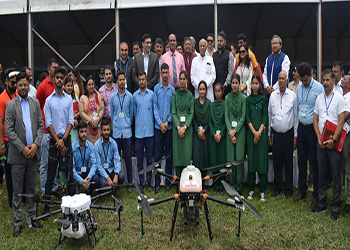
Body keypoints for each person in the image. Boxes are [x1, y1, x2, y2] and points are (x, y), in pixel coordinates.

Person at [5, 72, 44, 236]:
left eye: (25, 85)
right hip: (18, 155)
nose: (22, 87)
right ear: (16, 86)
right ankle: (17, 222)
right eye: (19, 85)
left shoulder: (35, 103)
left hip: (33, 153)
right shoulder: (10, 105)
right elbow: (9, 130)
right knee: (17, 191)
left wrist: (35, 144)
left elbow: (41, 127)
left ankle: (32, 217)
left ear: (29, 85)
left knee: (31, 188)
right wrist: (23, 148)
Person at [313, 69, 345, 221]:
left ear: (333, 81)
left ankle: (336, 206)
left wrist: (334, 140)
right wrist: (319, 138)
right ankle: (322, 203)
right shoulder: (319, 98)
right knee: (322, 174)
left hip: (333, 143)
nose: (325, 83)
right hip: (321, 143)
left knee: (336, 175)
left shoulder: (339, 98)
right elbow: (315, 119)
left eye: (327, 80)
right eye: (323, 80)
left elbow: (341, 121)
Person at [43, 66, 74, 214]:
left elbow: (71, 121)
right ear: (54, 79)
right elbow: (48, 123)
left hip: (66, 139)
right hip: (54, 141)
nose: (60, 80)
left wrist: (64, 140)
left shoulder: (69, 99)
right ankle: (47, 207)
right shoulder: (49, 101)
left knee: (69, 172)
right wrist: (58, 141)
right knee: (51, 174)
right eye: (58, 77)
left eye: (62, 77)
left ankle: (73, 205)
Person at [294, 63, 323, 210]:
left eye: (306, 80)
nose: (304, 83)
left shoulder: (319, 88)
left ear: (311, 75)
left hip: (312, 130)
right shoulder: (298, 87)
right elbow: (299, 107)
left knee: (314, 162)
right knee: (301, 161)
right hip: (302, 129)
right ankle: (302, 190)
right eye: (302, 80)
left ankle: (316, 195)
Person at [268, 71, 298, 198]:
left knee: (288, 162)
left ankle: (288, 188)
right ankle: (277, 187)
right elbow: (270, 115)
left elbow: (296, 117)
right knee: (277, 161)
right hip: (276, 134)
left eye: (283, 79)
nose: (281, 81)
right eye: (279, 78)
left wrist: (296, 135)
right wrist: (269, 133)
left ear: (287, 81)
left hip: (288, 134)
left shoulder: (292, 96)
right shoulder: (272, 96)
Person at [36, 58, 60, 195]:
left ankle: (54, 187)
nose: (56, 69)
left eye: (57, 67)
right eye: (54, 67)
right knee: (45, 164)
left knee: (54, 163)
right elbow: (38, 107)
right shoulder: (43, 86)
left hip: (57, 131)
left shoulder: (58, 85)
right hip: (46, 131)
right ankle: (45, 191)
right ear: (48, 69)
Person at [246, 75, 269, 201]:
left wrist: (259, 133)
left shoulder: (263, 100)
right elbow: (247, 118)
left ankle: (262, 190)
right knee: (252, 162)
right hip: (251, 135)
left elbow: (265, 117)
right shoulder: (248, 100)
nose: (254, 85)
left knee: (261, 162)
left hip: (261, 136)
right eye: (253, 83)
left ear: (260, 85)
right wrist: (254, 132)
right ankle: (250, 189)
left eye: (256, 83)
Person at [153, 63, 175, 192]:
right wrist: (161, 123)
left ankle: (167, 181)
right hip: (158, 127)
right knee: (157, 157)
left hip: (169, 127)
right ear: (161, 73)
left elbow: (173, 109)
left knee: (168, 156)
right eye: (163, 72)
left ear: (169, 74)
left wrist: (167, 122)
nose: (165, 75)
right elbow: (155, 107)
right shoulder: (156, 89)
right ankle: (157, 183)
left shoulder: (172, 90)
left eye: (167, 72)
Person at [110, 71, 134, 192]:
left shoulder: (130, 96)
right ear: (116, 82)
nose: (122, 82)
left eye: (123, 79)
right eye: (120, 80)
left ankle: (130, 182)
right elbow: (112, 113)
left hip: (127, 132)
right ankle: (117, 182)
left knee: (128, 158)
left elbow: (131, 114)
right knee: (116, 158)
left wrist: (127, 124)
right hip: (117, 133)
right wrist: (116, 125)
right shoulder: (113, 97)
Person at [225, 74, 246, 195]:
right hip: (229, 133)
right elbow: (226, 116)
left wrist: (235, 130)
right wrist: (230, 132)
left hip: (240, 132)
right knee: (231, 159)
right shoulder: (227, 98)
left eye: (236, 83)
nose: (234, 85)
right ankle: (232, 185)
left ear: (239, 84)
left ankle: (239, 185)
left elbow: (243, 116)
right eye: (232, 83)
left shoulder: (243, 98)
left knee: (239, 159)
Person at [133, 72, 154, 191]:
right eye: (139, 79)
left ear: (146, 81)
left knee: (150, 159)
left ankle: (149, 182)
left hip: (150, 131)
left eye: (143, 79)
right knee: (140, 159)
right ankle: (141, 181)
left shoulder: (151, 94)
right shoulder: (134, 96)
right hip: (139, 132)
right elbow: (134, 114)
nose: (141, 81)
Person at [0, 69, 18, 207]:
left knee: (19, 171)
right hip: (7, 141)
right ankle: (12, 199)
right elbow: (0, 122)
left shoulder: (18, 93)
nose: (15, 85)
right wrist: (1, 144)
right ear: (7, 81)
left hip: (19, 139)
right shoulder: (2, 98)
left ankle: (20, 197)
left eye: (16, 82)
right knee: (10, 173)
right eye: (13, 83)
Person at [172, 71, 194, 176]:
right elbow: (173, 112)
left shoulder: (190, 95)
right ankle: (178, 182)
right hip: (177, 130)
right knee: (178, 155)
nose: (182, 81)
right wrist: (178, 127)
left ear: (187, 80)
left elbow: (191, 113)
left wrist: (184, 127)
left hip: (187, 130)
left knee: (186, 155)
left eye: (184, 79)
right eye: (180, 79)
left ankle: (186, 180)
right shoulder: (175, 95)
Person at [72, 122, 100, 195]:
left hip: (87, 173)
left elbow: (94, 164)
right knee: (71, 183)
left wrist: (88, 178)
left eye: (85, 131)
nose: (84, 134)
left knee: (96, 179)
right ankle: (77, 194)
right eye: (81, 132)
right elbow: (72, 168)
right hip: (78, 174)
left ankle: (88, 193)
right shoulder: (73, 147)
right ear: (77, 133)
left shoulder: (90, 146)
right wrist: (82, 181)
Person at [95, 120, 125, 188]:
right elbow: (98, 166)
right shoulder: (97, 145)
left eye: (108, 130)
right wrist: (108, 178)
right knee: (104, 183)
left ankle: (114, 188)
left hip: (111, 170)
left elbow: (117, 160)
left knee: (121, 177)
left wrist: (116, 174)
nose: (106, 132)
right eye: (104, 130)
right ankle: (107, 189)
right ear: (101, 131)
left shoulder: (113, 143)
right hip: (102, 172)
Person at [209, 83, 226, 193]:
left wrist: (221, 134)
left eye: (219, 91)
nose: (217, 93)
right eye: (215, 91)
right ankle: (215, 184)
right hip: (213, 137)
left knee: (221, 160)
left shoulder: (225, 104)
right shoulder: (211, 105)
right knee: (214, 160)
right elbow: (209, 121)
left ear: (222, 92)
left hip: (222, 137)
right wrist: (214, 134)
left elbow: (225, 121)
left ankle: (222, 184)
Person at [79, 77, 104, 144]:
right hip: (88, 127)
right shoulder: (83, 98)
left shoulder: (98, 96)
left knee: (98, 145)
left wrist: (98, 119)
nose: (91, 86)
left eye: (92, 84)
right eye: (89, 85)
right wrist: (90, 120)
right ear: (86, 87)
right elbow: (81, 112)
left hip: (98, 126)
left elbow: (102, 108)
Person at [192, 80, 211, 173]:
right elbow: (193, 118)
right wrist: (198, 130)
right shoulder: (194, 102)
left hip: (205, 134)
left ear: (206, 91)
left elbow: (209, 120)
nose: (202, 91)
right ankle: (196, 179)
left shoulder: (209, 103)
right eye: (200, 89)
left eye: (204, 89)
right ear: (198, 90)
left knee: (204, 156)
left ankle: (204, 180)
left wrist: (204, 130)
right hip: (196, 134)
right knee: (197, 156)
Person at [213, 31, 234, 98]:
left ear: (225, 42)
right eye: (218, 41)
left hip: (226, 88)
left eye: (221, 41)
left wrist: (225, 85)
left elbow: (231, 72)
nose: (219, 43)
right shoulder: (214, 55)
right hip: (215, 88)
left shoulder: (229, 54)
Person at [341, 75, 350, 213]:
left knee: (348, 170)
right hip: (340, 135)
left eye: (345, 78)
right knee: (341, 167)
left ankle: (349, 201)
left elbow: (344, 116)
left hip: (348, 136)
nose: (342, 79)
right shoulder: (340, 95)